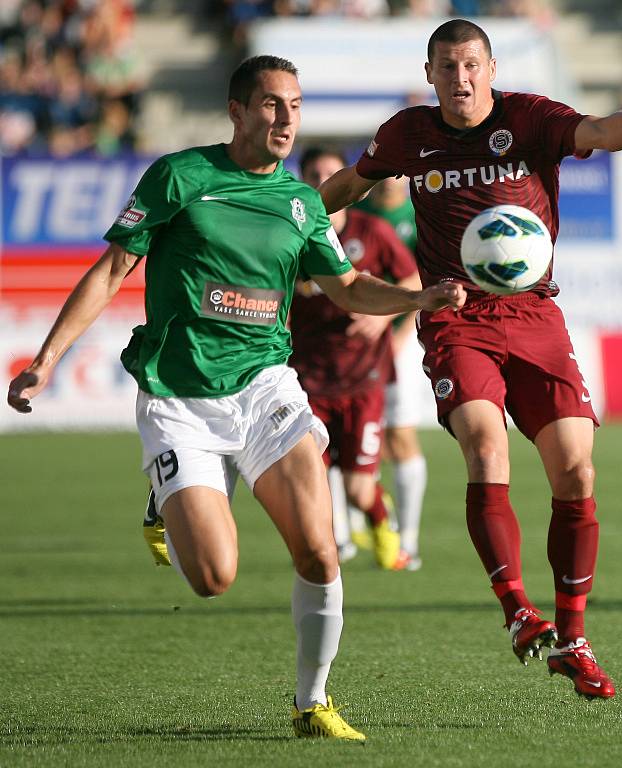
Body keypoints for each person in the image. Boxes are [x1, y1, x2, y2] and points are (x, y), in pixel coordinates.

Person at [7, 54, 466, 739]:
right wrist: (47, 358)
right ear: (238, 111)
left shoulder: (303, 204)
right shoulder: (180, 177)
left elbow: (345, 288)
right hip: (180, 398)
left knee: (319, 551)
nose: (286, 119)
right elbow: (112, 270)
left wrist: (416, 297)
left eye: (297, 106)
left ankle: (313, 702)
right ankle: (167, 492)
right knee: (214, 577)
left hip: (265, 389)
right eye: (273, 105)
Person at [319, 19, 622, 700]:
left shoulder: (530, 118)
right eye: (447, 67)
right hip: (457, 316)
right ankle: (518, 608)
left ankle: (573, 638)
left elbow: (603, 134)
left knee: (576, 470)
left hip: (536, 315)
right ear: (429, 74)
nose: (460, 79)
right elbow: (346, 187)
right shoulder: (408, 134)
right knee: (487, 450)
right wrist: (289, 216)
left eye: (471, 66)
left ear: (490, 67)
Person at [290, 146, 419, 570]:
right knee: (313, 480)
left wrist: (385, 319)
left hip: (363, 379)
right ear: (303, 180)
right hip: (308, 381)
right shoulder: (290, 236)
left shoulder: (372, 230)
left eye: (332, 172)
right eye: (315, 174)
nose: (323, 181)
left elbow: (411, 278)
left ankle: (383, 524)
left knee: (360, 490)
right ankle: (332, 549)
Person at [355, 176, 429, 571]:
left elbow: (423, 282)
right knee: (346, 435)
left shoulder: (418, 217)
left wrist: (401, 331)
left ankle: (409, 538)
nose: (391, 177)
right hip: (351, 344)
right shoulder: (356, 214)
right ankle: (347, 531)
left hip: (397, 340)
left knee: (400, 435)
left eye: (399, 170)